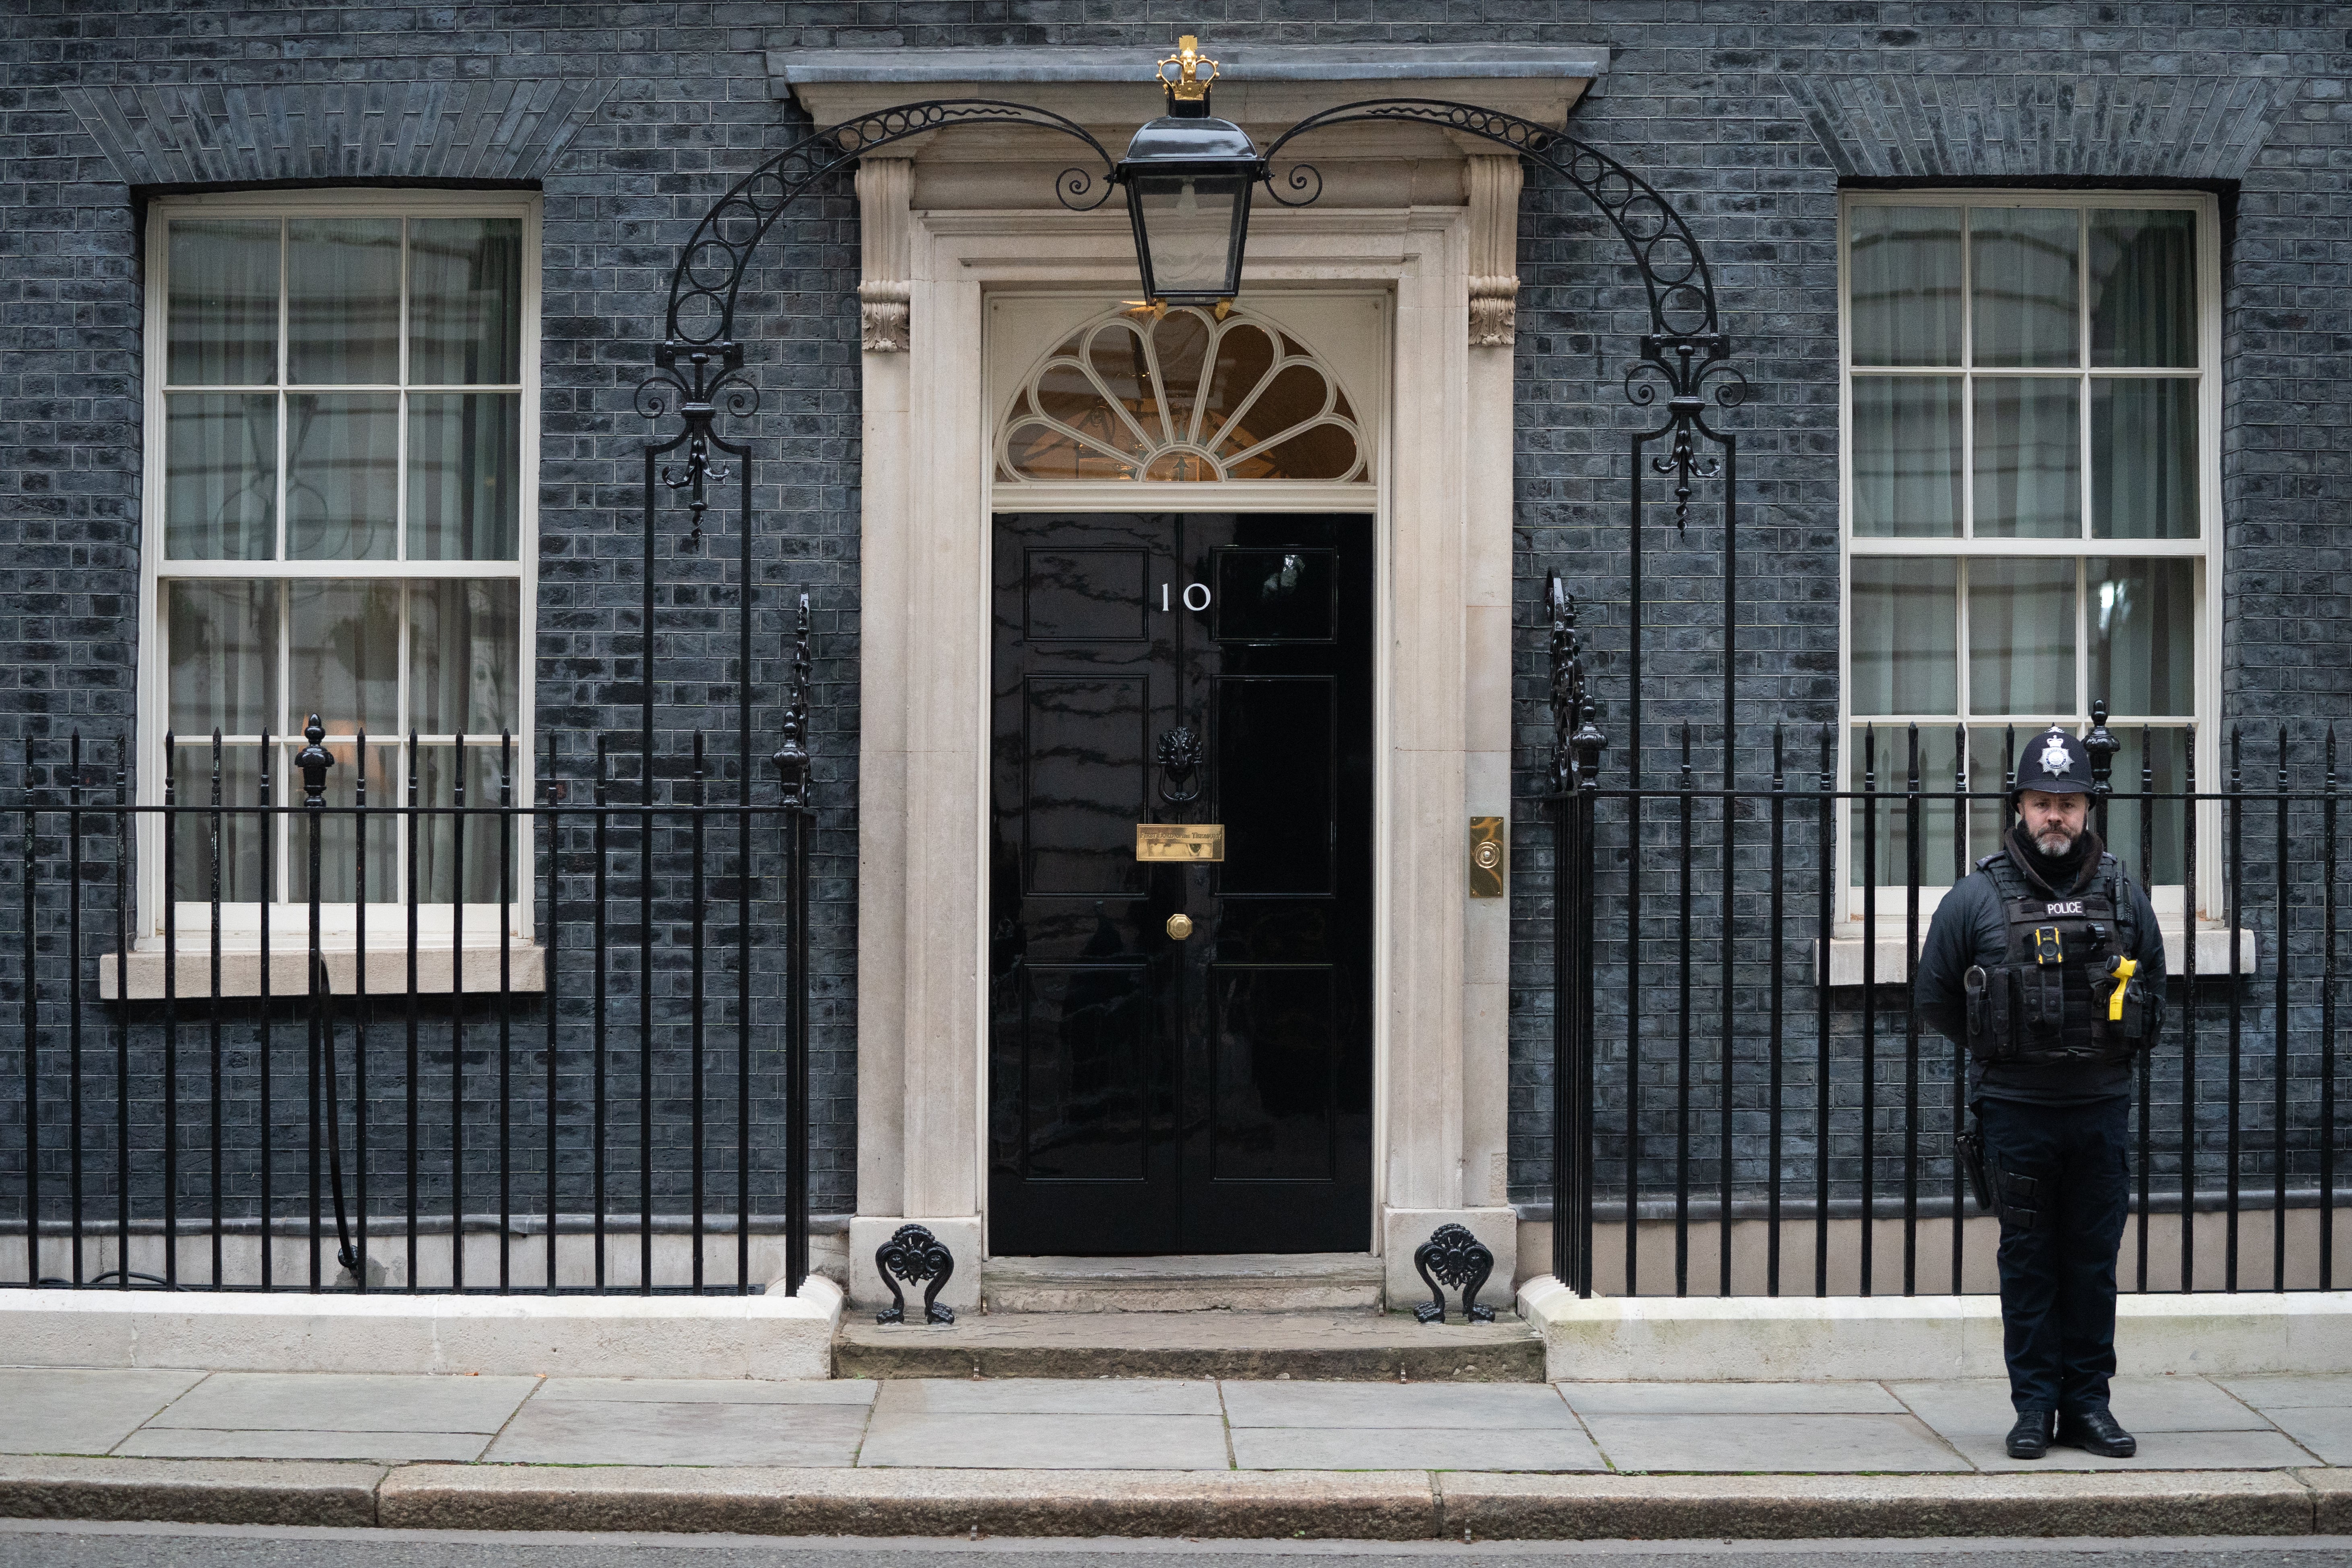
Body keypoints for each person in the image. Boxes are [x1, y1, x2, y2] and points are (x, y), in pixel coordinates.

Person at [1915, 724, 2165, 1461]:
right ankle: (2033, 1411)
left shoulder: (2124, 894)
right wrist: (2004, 1045)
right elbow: (1936, 998)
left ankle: (2088, 1406)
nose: (2055, 816)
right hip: (2017, 1114)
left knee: (2092, 1263)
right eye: (2041, 802)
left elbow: (2154, 984)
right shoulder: (1977, 898)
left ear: (2089, 809)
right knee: (2027, 1263)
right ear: (2019, 806)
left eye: (2069, 803)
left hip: (2098, 1110)